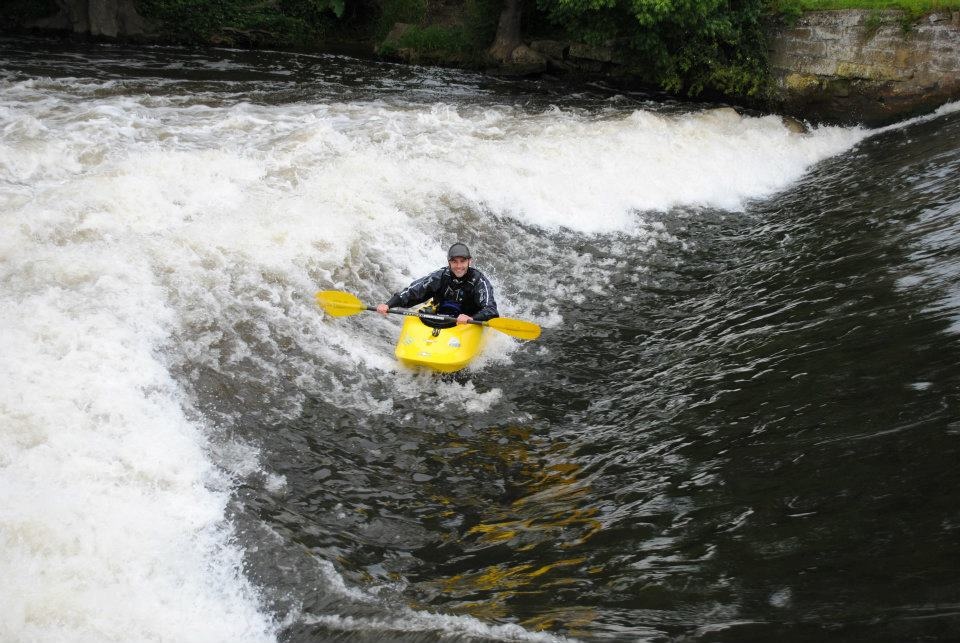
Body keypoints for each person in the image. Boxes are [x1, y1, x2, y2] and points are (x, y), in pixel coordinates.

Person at [376, 243, 498, 325]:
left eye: (463, 261)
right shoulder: (439, 276)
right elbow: (412, 291)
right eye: (454, 262)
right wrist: (388, 305)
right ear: (449, 262)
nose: (459, 266)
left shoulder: (479, 281)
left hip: (468, 320)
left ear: (469, 261)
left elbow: (491, 309)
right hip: (442, 314)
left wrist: (472, 318)